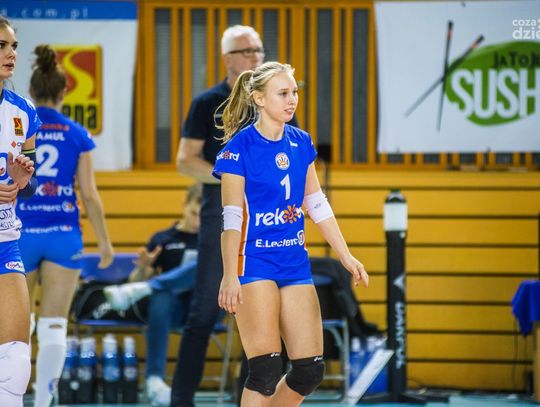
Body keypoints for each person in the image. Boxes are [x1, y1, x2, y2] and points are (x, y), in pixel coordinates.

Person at [213, 61, 369, 406]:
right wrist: (229, 275)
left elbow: (317, 203)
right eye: (283, 93)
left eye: (294, 92)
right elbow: (231, 219)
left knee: (309, 371)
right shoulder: (239, 149)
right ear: (259, 98)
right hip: (253, 262)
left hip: (294, 263)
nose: (292, 100)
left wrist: (346, 255)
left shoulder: (301, 142)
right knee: (265, 371)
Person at [171, 25, 271, 406]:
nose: (256, 57)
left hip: (265, 219)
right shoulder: (207, 103)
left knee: (259, 314)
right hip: (220, 215)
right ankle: (181, 400)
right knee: (204, 311)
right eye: (248, 51)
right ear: (228, 58)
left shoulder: (271, 100)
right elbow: (185, 161)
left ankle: (247, 399)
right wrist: (230, 177)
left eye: (259, 50)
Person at [16, 44, 115, 407]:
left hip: (20, 233)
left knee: (17, 325)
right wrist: (104, 243)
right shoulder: (77, 133)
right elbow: (89, 195)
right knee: (54, 324)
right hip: (63, 235)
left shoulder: (19, 129)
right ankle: (45, 401)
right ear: (64, 92)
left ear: (31, 90)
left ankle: (11, 396)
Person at [103, 183, 201, 406]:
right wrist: (144, 267)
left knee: (207, 260)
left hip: (205, 306)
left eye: (202, 216)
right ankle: (154, 381)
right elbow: (134, 280)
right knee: (161, 298)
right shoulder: (163, 239)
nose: (198, 222)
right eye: (194, 213)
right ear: (184, 205)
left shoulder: (212, 239)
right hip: (172, 309)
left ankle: (150, 287)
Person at [0, 15, 41, 407]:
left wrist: (21, 179)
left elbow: (28, 183)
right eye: (1, 46)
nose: (10, 53)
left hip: (5, 241)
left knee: (15, 364)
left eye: (13, 46)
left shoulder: (23, 111)